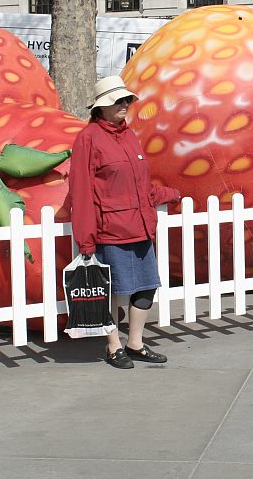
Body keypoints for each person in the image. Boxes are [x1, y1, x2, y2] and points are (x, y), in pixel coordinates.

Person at [69, 75, 181, 370]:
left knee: (146, 287)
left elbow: (140, 185)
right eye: (117, 101)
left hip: (140, 226)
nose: (124, 105)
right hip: (111, 230)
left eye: (126, 100)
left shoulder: (130, 136)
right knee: (113, 292)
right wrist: (86, 239)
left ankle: (135, 343)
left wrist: (170, 194)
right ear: (101, 107)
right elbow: (81, 192)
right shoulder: (88, 138)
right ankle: (113, 345)